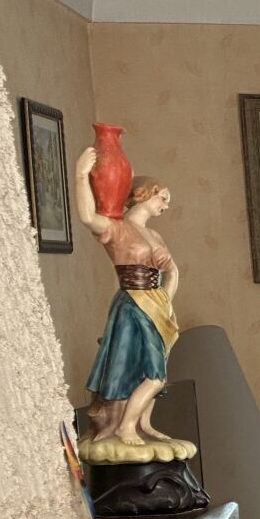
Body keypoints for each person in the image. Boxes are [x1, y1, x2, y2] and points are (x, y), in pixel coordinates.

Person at [73, 148, 193, 459]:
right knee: (151, 372)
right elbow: (87, 217)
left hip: (156, 306)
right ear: (144, 195)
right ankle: (126, 426)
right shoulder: (117, 228)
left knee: (152, 368)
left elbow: (172, 270)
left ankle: (142, 423)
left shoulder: (154, 234)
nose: (166, 205)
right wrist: (81, 175)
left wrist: (165, 300)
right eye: (162, 198)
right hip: (132, 305)